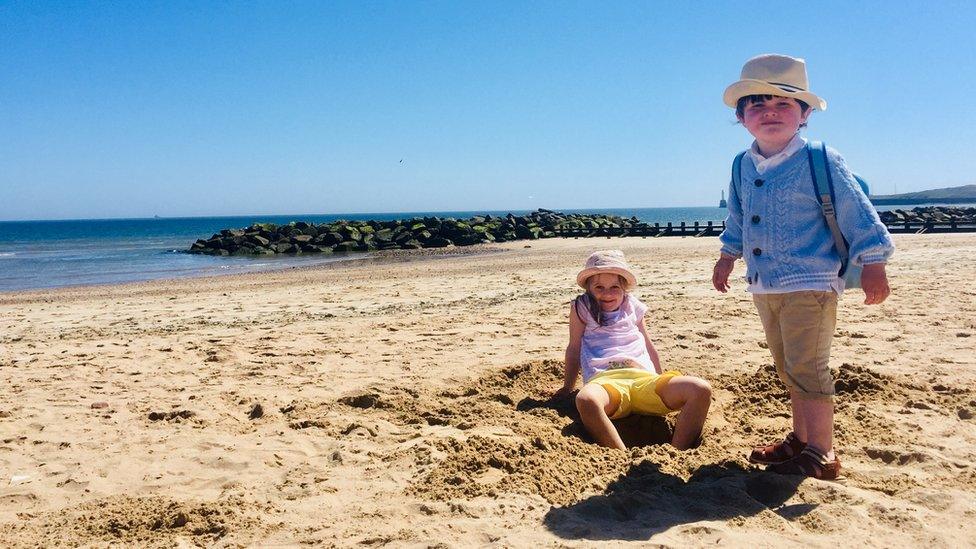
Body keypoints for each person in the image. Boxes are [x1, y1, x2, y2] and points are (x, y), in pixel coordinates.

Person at [712, 54, 894, 480]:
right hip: (764, 284)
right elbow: (737, 216)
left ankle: (823, 451)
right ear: (741, 117)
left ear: (805, 113)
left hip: (812, 280)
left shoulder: (820, 159)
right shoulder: (742, 164)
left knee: (809, 367)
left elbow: (858, 212)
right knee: (787, 366)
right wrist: (726, 256)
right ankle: (800, 438)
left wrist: (874, 262)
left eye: (783, 104)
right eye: (757, 105)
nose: (769, 113)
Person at [555, 250, 712, 450]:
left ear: (625, 288)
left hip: (644, 381)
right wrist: (567, 387)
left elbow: (647, 344)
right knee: (586, 400)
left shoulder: (633, 306)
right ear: (588, 288)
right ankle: (621, 456)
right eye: (599, 287)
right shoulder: (581, 307)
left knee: (700, 389)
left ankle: (675, 453)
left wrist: (660, 379)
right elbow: (574, 347)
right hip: (606, 383)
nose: (607, 293)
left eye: (614, 287)